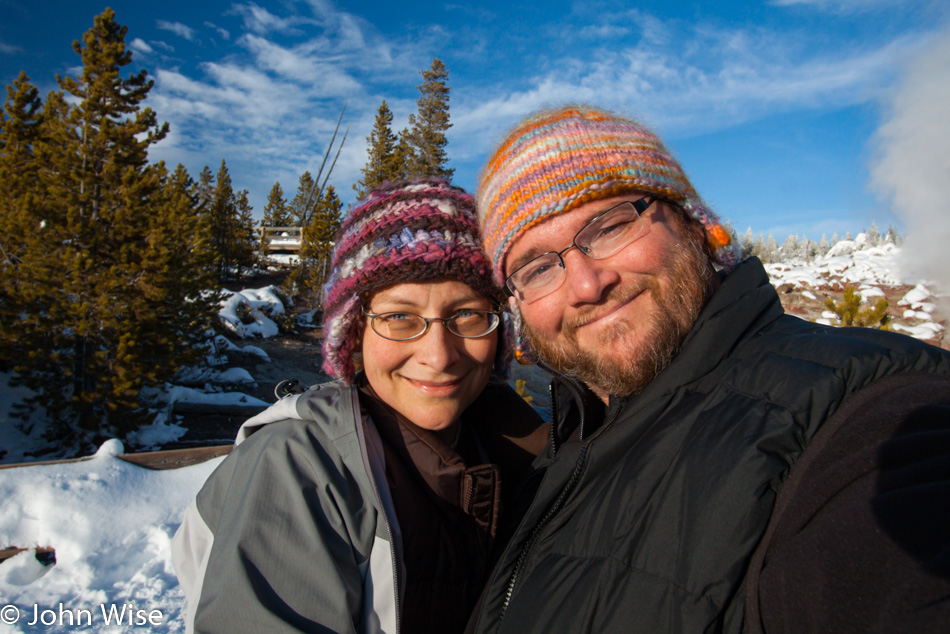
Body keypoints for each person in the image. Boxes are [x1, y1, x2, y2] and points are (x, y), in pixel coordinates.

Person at [466, 105, 950, 633]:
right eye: (537, 268)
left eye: (609, 226)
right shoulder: (560, 450)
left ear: (695, 227)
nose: (586, 285)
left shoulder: (872, 409)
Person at [171, 179, 548, 633]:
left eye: (467, 314)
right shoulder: (297, 470)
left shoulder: (532, 456)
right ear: (354, 334)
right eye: (398, 317)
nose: (439, 355)